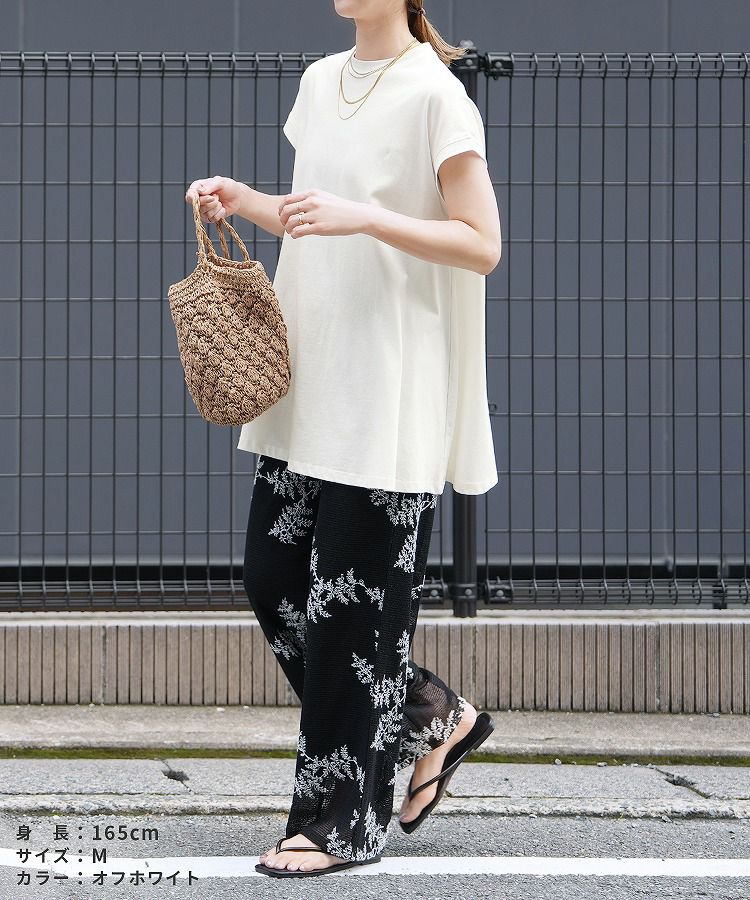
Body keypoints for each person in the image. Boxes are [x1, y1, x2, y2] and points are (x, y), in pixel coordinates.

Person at [185, 0, 501, 879]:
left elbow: (482, 243)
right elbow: (310, 215)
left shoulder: (436, 96)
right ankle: (430, 713)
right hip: (309, 379)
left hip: (388, 389)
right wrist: (245, 202)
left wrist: (368, 217)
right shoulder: (321, 81)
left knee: (352, 611)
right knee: (275, 579)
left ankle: (339, 824)